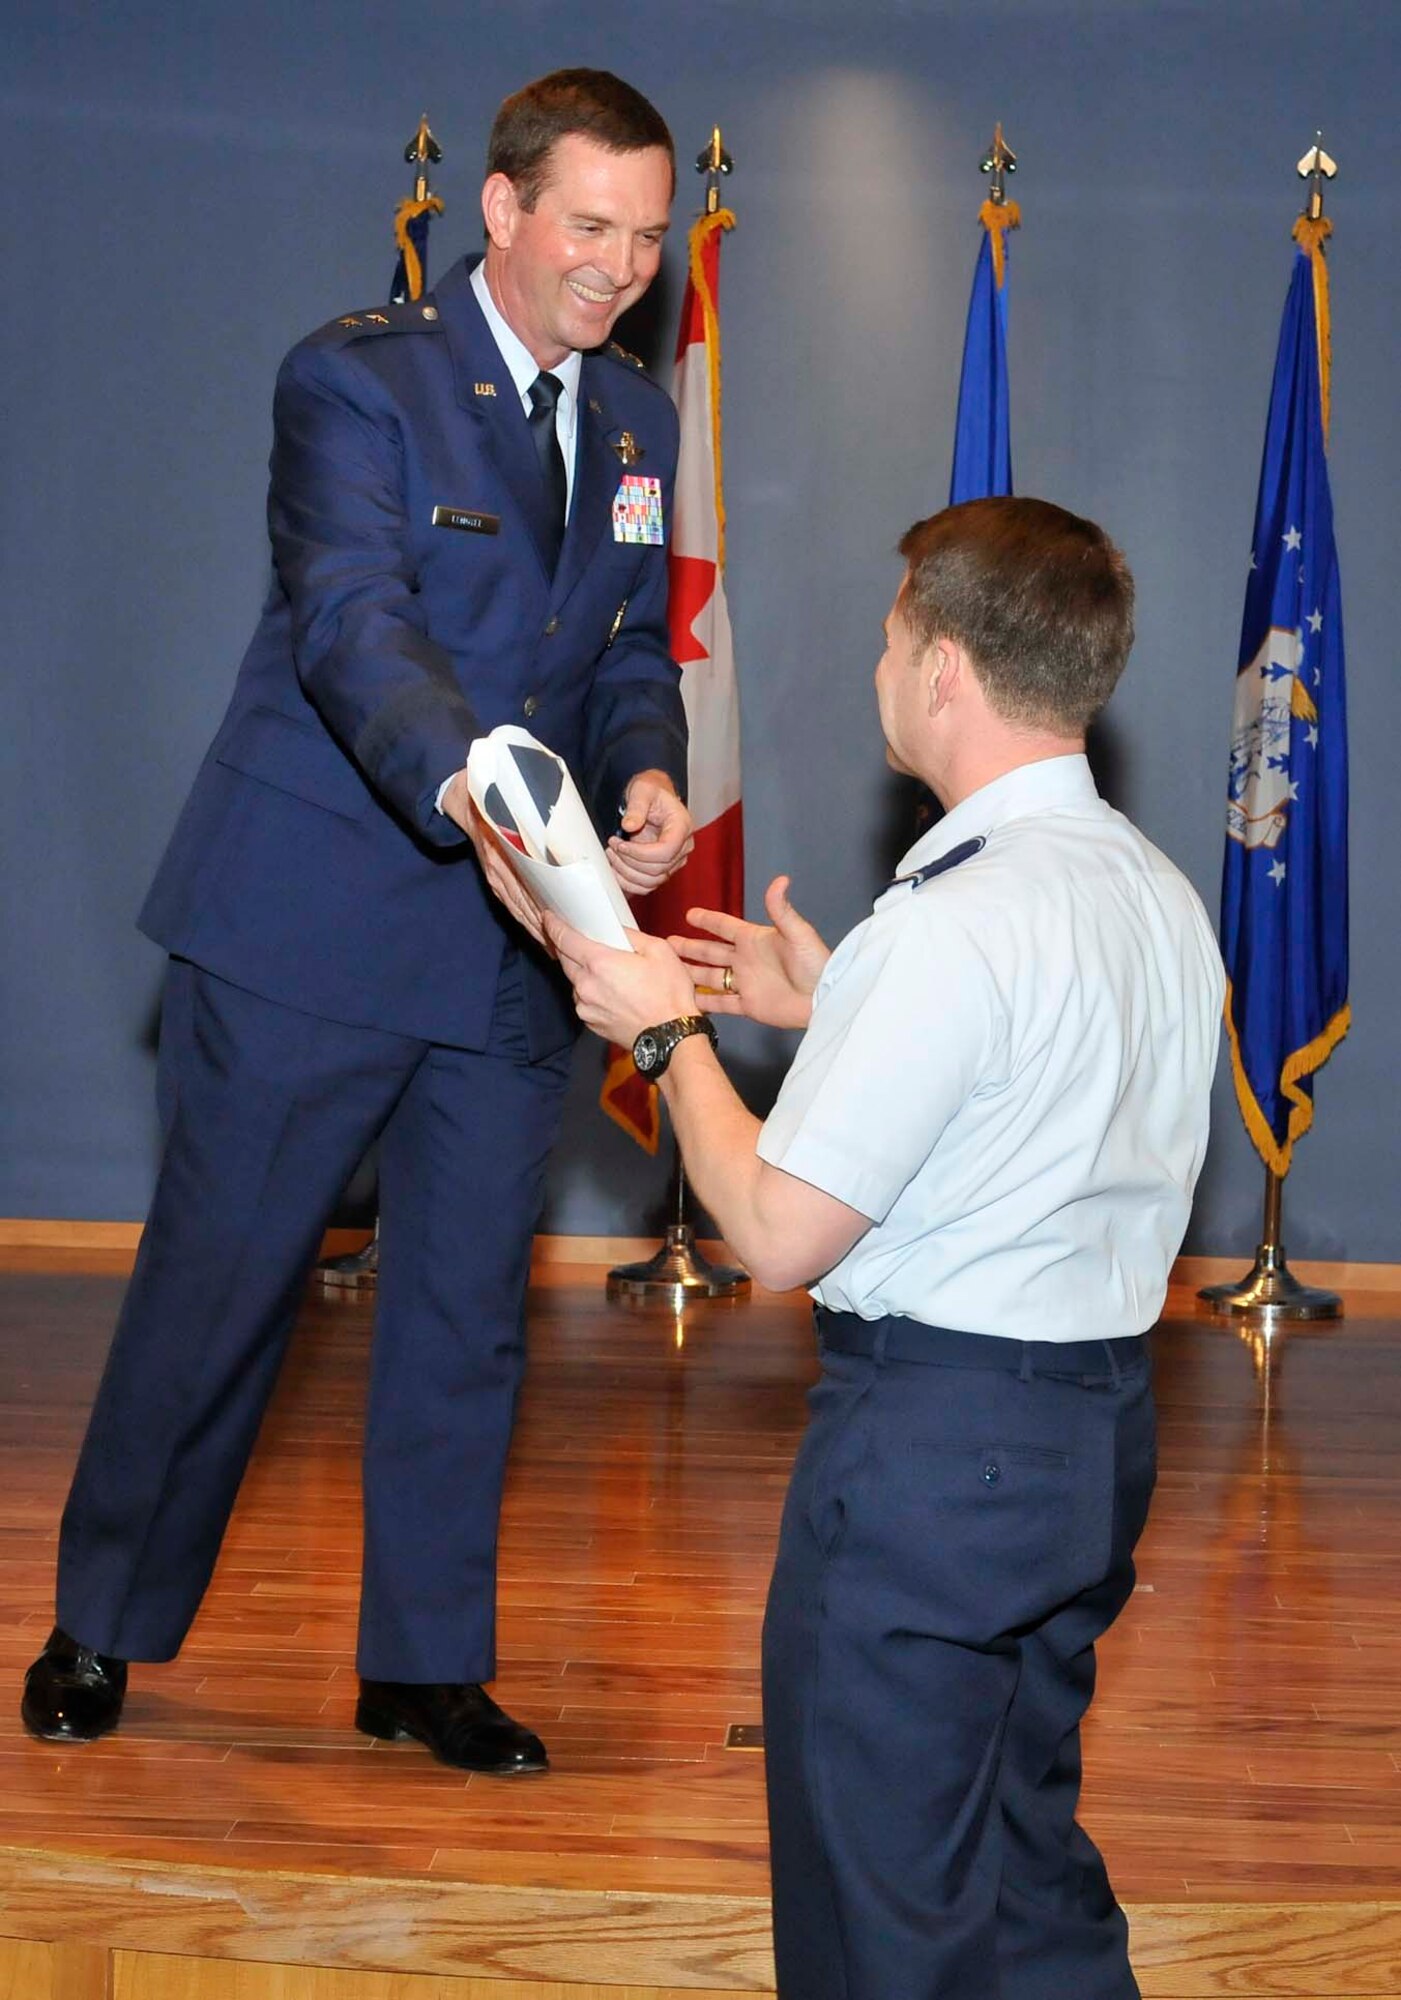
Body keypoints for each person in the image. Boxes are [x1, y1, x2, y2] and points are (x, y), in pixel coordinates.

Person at [22, 68, 693, 1775]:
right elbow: (349, 620)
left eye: (644, 238)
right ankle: (100, 1622)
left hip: (513, 941)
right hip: (314, 914)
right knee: (221, 1288)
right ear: (502, 209)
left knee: (467, 1309)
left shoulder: (634, 421)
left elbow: (620, 651)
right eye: (588, 227)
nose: (617, 269)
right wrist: (467, 783)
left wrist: (646, 778)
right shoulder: (358, 376)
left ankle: (422, 1666)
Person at [546, 496, 1224, 1998]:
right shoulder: (1153, 893)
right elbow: (1041, 1079)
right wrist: (836, 998)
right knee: (1024, 1881)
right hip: (1090, 1440)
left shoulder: (953, 925)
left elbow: (778, 1234)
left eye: (888, 634)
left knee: (880, 1927)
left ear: (941, 674)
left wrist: (668, 1038)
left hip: (934, 1455)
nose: (878, 664)